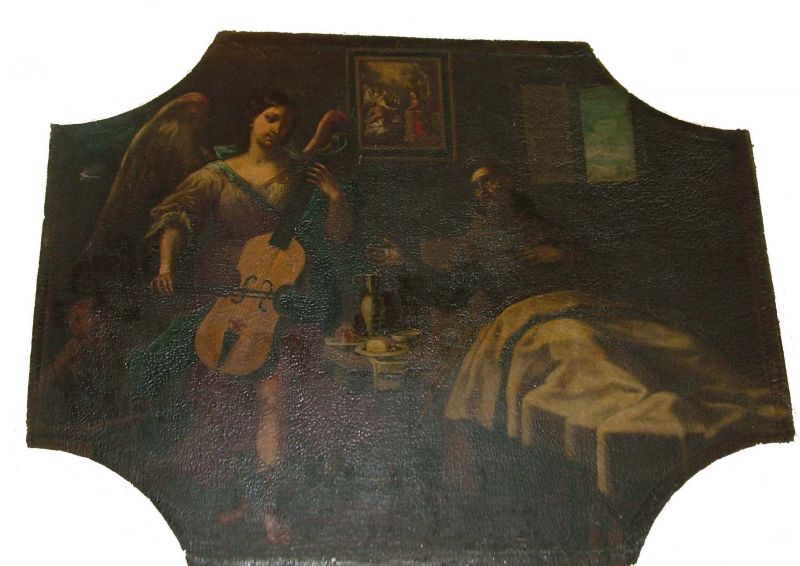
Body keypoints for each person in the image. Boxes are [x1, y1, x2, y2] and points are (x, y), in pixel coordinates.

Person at [129, 91, 353, 544]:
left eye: (285, 123)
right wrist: (166, 264)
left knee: (273, 401)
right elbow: (176, 216)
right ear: (251, 120)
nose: (277, 129)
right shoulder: (217, 175)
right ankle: (240, 498)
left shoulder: (300, 172)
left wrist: (334, 193)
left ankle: (269, 506)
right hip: (224, 298)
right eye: (269, 118)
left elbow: (336, 237)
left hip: (277, 302)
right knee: (221, 404)